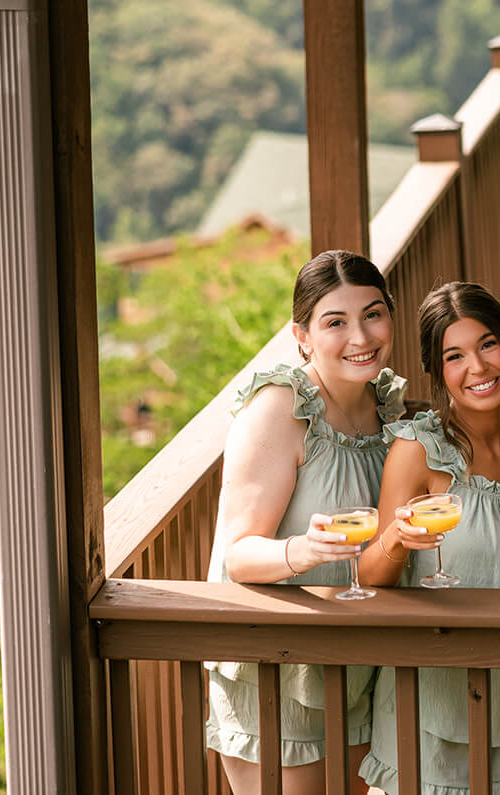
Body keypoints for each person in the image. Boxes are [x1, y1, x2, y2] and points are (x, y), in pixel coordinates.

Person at [205, 250, 403, 795]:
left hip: (353, 664)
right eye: (335, 322)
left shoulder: (387, 408)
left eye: (373, 314)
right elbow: (238, 555)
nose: (360, 336)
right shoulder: (281, 408)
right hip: (277, 669)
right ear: (302, 336)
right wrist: (306, 550)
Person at [357, 282, 500, 795]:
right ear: (437, 372)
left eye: (487, 344)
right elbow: (370, 575)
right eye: (454, 356)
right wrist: (397, 538)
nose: (477, 368)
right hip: (430, 709)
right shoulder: (419, 449)